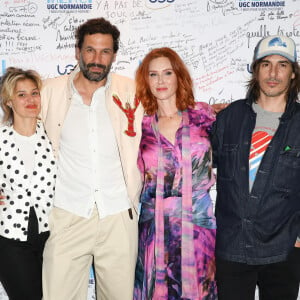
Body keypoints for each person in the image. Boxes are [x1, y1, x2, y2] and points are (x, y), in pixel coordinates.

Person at [40, 18, 144, 300]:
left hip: (118, 216)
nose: (97, 59)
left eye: (105, 51)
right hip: (67, 214)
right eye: (90, 50)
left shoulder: (133, 91)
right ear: (77, 51)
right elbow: (18, 133)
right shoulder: (50, 91)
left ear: (114, 55)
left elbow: (170, 109)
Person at [212, 35, 300, 300]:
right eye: (266, 64)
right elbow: (201, 165)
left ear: (293, 73)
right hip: (232, 246)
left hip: (283, 248)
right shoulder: (230, 117)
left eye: (282, 65)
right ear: (255, 69)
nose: (273, 73)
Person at [133, 47, 217, 300]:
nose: (160, 81)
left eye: (167, 73)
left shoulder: (204, 116)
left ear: (178, 76)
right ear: (145, 80)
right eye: (153, 74)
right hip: (154, 228)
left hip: (199, 225)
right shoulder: (139, 125)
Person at [0, 67, 56, 300]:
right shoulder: (1, 139)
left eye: (34, 93)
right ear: (9, 101)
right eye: (21, 95)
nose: (30, 100)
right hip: (10, 236)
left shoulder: (54, 134)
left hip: (53, 236)